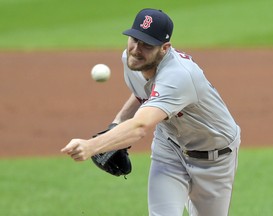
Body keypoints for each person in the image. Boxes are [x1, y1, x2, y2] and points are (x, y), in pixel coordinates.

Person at [61, 8, 241, 216]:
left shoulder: (179, 77)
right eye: (134, 39)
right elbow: (143, 95)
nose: (136, 49)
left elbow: (140, 127)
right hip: (170, 148)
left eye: (147, 44)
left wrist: (92, 146)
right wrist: (116, 125)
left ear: (164, 48)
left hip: (215, 158)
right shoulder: (132, 61)